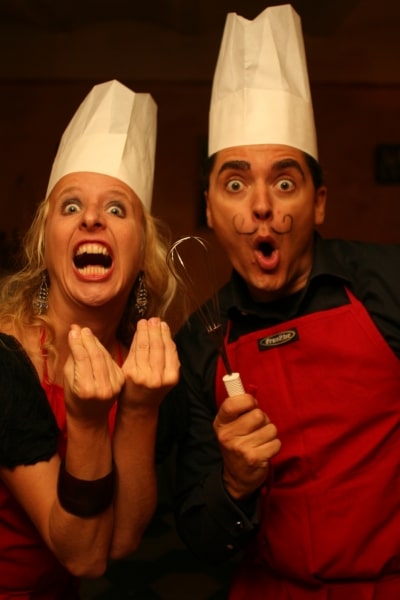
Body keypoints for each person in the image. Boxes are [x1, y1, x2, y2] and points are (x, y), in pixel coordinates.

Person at [159, 4, 400, 599]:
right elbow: (199, 538)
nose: (262, 205)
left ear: (318, 203)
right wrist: (235, 482)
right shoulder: (198, 345)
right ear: (210, 209)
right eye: (235, 183)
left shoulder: (388, 284)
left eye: (285, 182)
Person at [0, 79, 180, 598]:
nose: (93, 219)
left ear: (143, 251)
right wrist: (87, 421)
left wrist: (139, 409)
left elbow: (119, 543)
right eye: (71, 206)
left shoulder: (145, 367)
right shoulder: (6, 360)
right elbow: (81, 553)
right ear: (46, 242)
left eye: (117, 209)